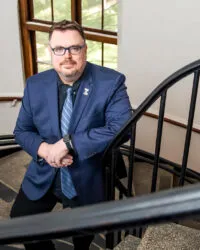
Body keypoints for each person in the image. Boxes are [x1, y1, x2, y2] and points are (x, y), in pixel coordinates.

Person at [10, 20, 132, 250]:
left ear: (85, 49)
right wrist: (46, 150)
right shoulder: (35, 84)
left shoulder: (111, 82)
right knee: (21, 223)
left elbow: (123, 128)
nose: (67, 56)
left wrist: (68, 143)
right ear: (50, 51)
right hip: (46, 171)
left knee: (83, 233)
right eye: (59, 49)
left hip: (88, 173)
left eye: (75, 48)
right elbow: (22, 131)